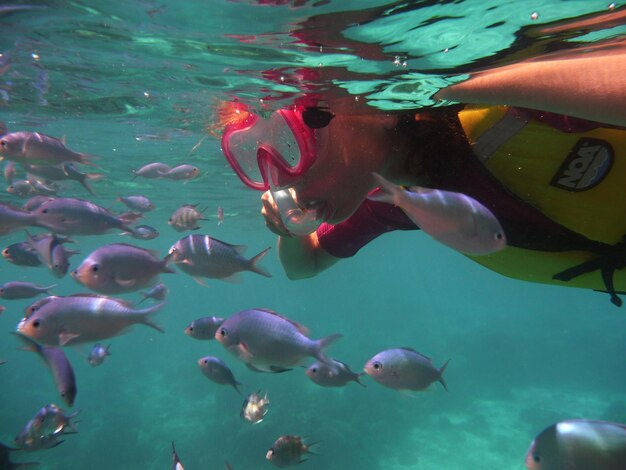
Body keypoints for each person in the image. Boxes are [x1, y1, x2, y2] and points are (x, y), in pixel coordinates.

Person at [217, 39, 626, 306]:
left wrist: (454, 86)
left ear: (364, 109)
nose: (285, 180)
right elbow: (302, 266)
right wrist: (287, 227)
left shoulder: (506, 111)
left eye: (294, 143)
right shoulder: (397, 198)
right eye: (255, 156)